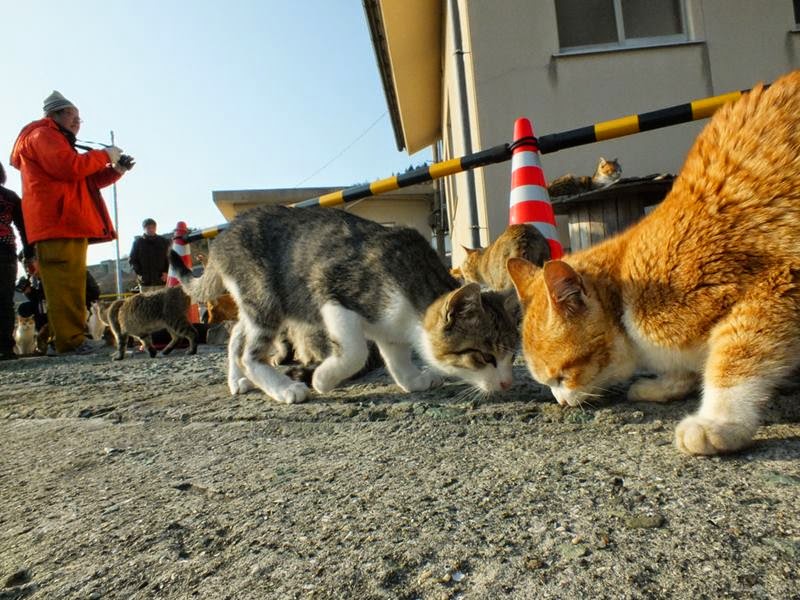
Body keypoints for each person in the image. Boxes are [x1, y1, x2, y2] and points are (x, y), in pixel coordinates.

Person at [9, 90, 134, 355]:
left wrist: (116, 170)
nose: (78, 122)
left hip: (64, 223)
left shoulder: (52, 138)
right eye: (73, 116)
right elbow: (70, 168)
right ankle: (71, 342)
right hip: (58, 222)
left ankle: (68, 340)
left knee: (70, 285)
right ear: (56, 114)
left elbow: (85, 180)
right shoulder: (43, 135)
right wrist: (103, 156)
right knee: (66, 286)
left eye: (80, 118)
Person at [0, 161, 33, 360]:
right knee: (4, 301)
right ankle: (4, 347)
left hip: (5, 251)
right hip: (5, 251)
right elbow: (24, 229)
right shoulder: (10, 197)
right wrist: (29, 255)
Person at [129, 218, 170, 292]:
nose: (151, 230)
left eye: (153, 227)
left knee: (162, 303)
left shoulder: (164, 242)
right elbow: (132, 260)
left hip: (161, 281)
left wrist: (167, 272)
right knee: (146, 303)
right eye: (148, 228)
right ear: (144, 229)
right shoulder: (137, 243)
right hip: (145, 283)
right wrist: (140, 274)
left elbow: (169, 259)